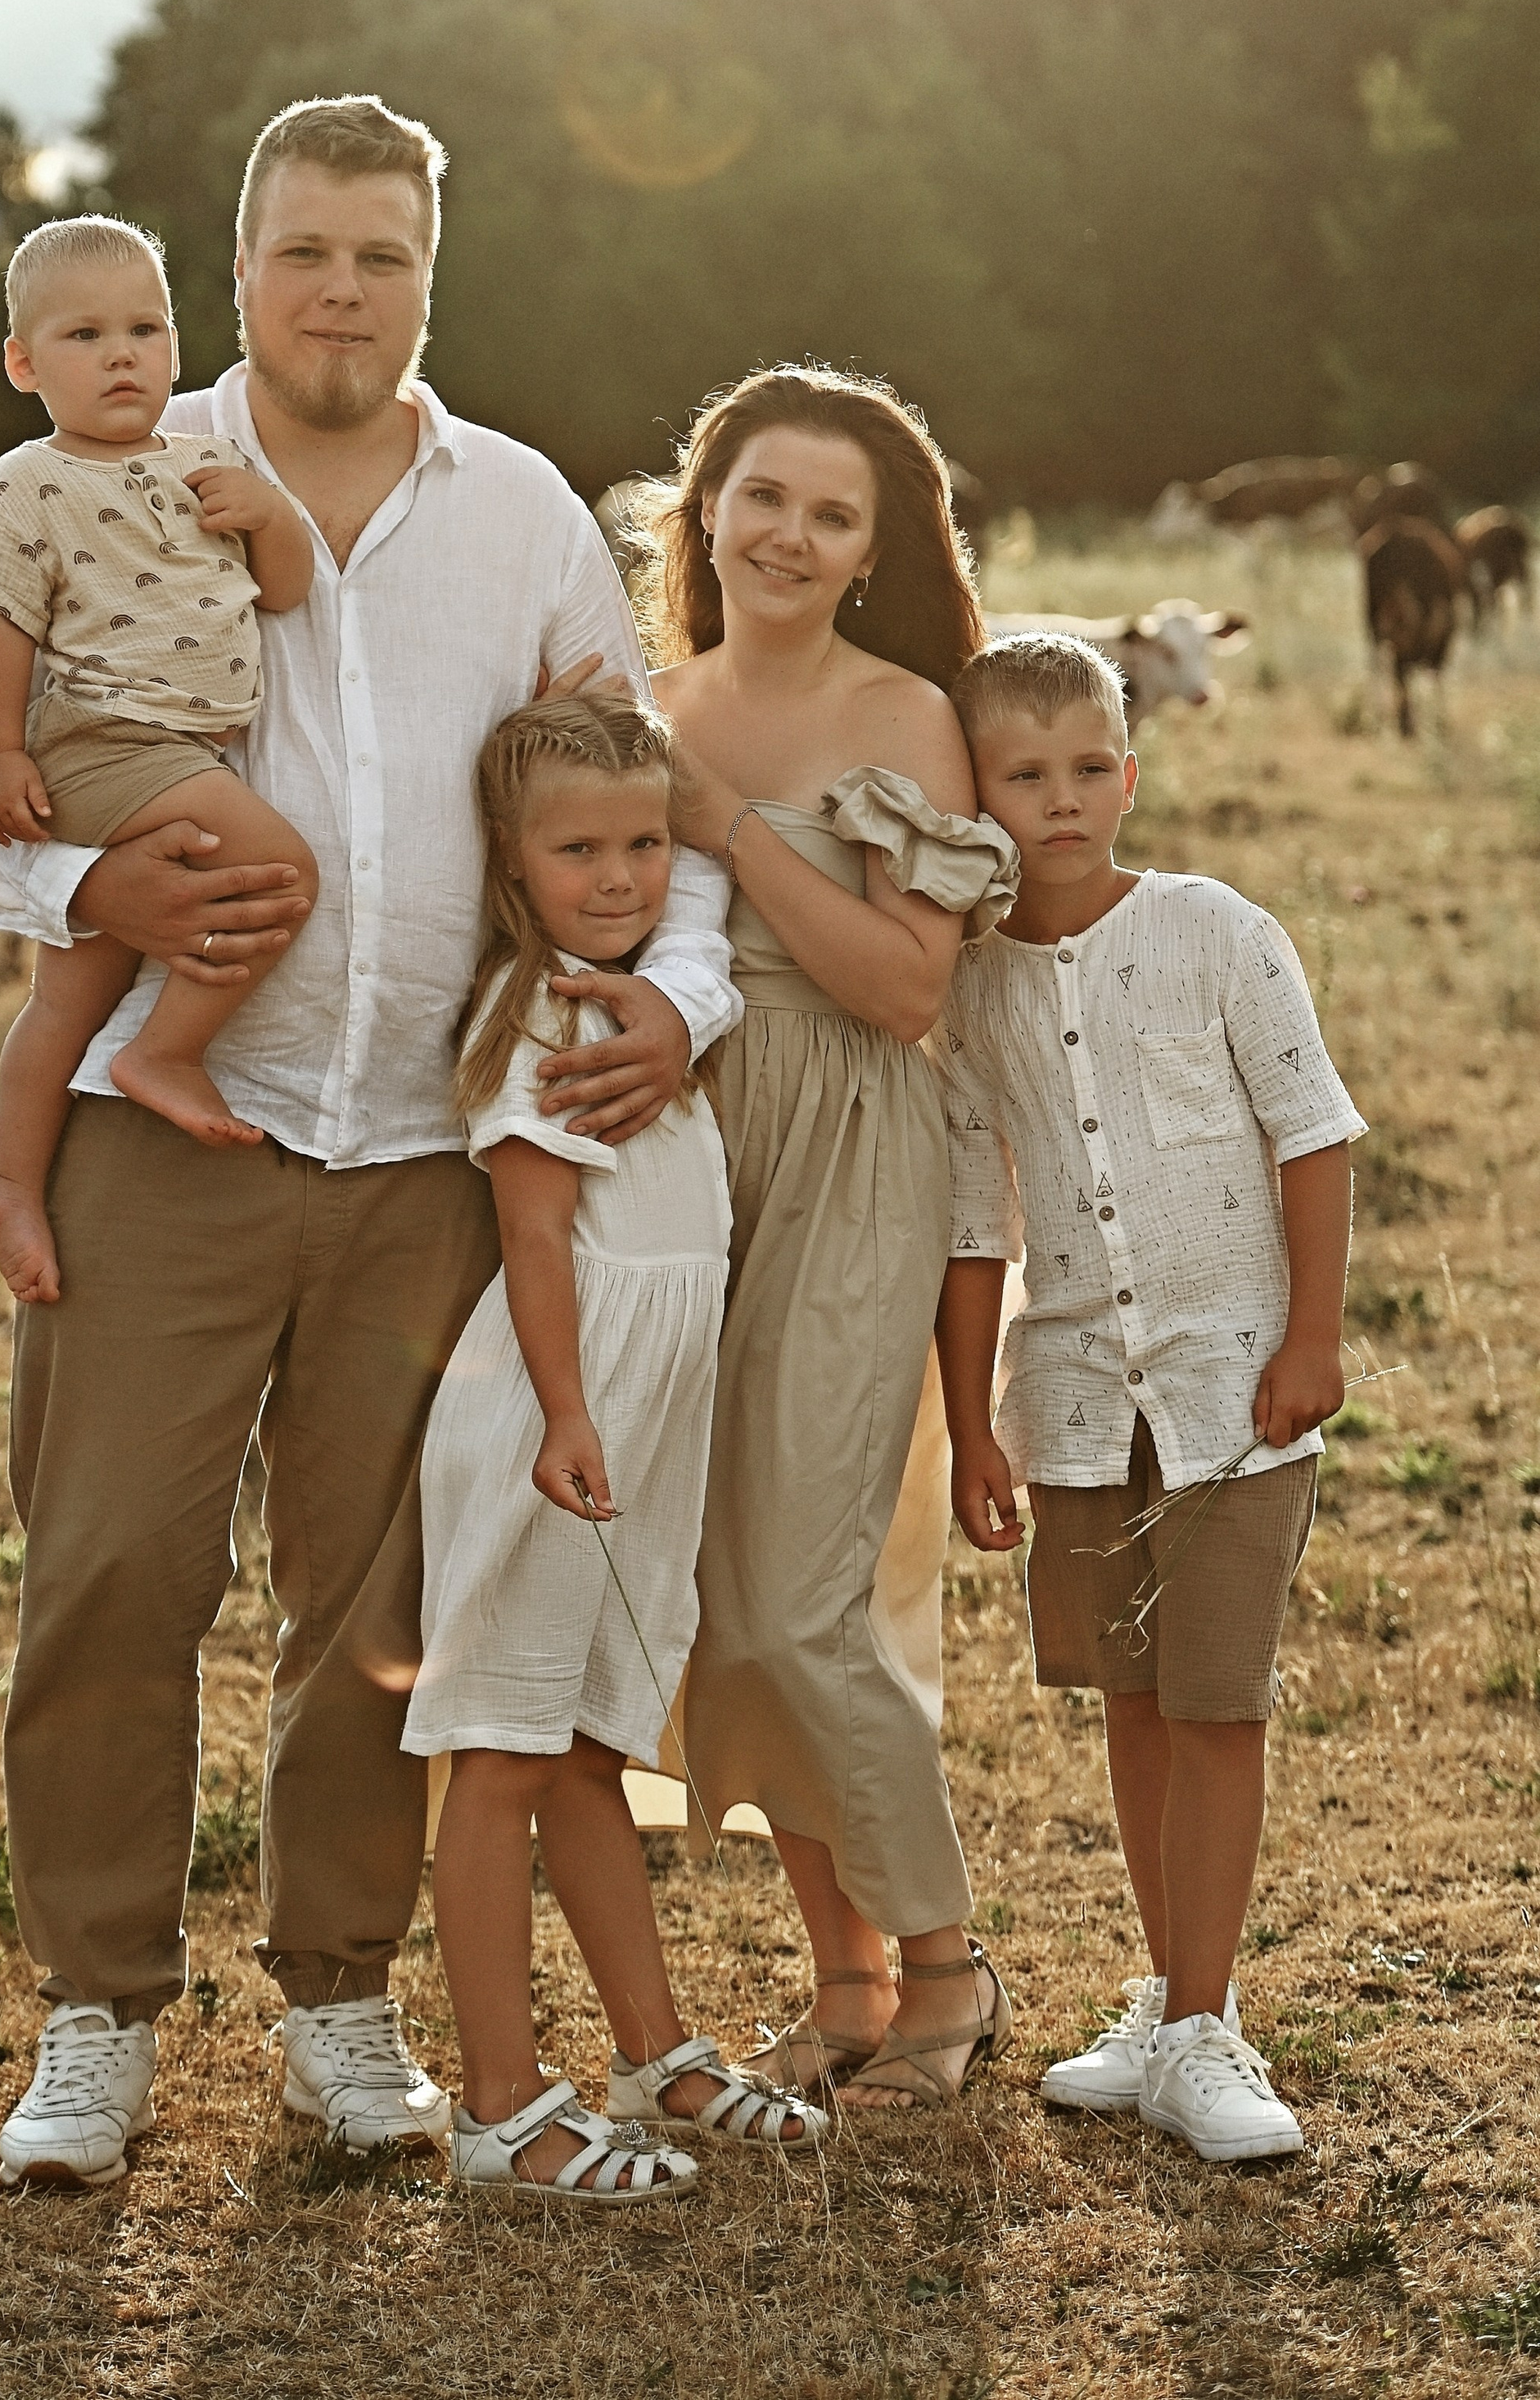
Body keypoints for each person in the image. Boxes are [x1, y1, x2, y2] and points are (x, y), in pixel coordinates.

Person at [0, 96, 741, 2190]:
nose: (337, 292)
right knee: (109, 1571)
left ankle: (341, 2003)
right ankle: (94, 2015)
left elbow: (649, 800)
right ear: (238, 261)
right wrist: (97, 902)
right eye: (299, 254)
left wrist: (681, 992)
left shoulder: (524, 513)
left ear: (426, 274)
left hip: (429, 1162)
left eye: (377, 255)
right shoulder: (110, 465)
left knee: (375, 1598)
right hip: (167, 1140)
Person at [937, 631, 1364, 2163]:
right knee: (1128, 1698)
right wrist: (969, 1411)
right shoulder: (969, 987)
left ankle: (1206, 2019)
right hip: (1072, 1402)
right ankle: (1166, 2000)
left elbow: (1311, 1135)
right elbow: (978, 1214)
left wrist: (1313, 1335)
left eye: (1088, 769)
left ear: (1133, 770)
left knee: (1215, 1701)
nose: (1061, 801)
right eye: (1023, 775)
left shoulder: (1216, 931)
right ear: (975, 793)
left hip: (1235, 1388)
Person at [648, 365, 1023, 2110]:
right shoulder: (646, 699)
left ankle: (946, 1970)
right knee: (719, 1599)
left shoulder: (899, 720)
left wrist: (718, 825)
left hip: (852, 1158)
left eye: (831, 513)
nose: (787, 535)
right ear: (705, 508)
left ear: (871, 553)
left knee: (803, 1598)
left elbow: (896, 989)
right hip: (676, 1162)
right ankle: (844, 1979)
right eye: (763, 497)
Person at [404, 690, 823, 2200]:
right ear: (514, 871)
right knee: (502, 1753)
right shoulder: (539, 1021)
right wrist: (572, 1414)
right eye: (579, 849)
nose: (624, 874)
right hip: (555, 1415)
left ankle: (652, 2051)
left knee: (589, 1747)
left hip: (643, 1416)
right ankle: (501, 2110)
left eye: (647, 842)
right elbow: (534, 1240)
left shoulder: (644, 1010)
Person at [0, 216, 319, 1307]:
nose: (120, 355)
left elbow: (284, 589)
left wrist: (272, 518)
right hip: (102, 743)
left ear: (178, 345)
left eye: (144, 329)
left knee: (71, 986)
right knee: (281, 872)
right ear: (23, 363)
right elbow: (0, 627)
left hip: (171, 749)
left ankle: (7, 1173)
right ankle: (165, 1053)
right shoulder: (28, 482)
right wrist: (2, 755)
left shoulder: (208, 468)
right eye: (84, 334)